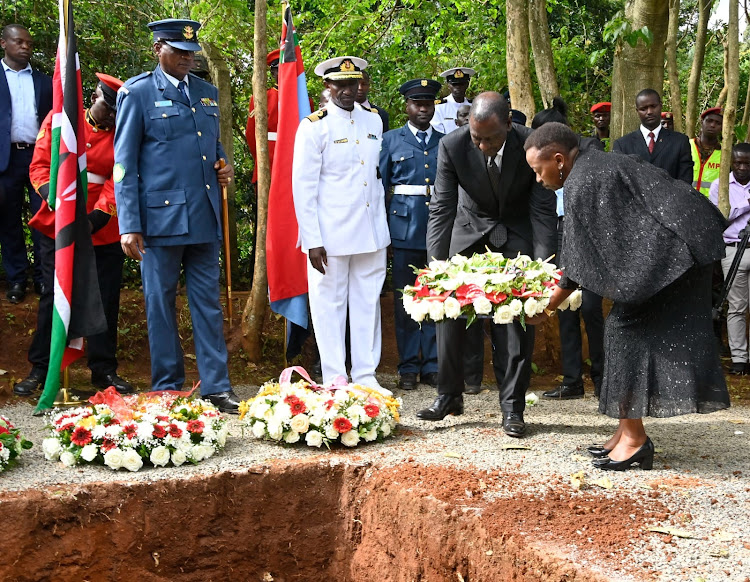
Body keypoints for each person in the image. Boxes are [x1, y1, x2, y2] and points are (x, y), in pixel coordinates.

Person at [525, 122, 730, 471]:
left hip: (678, 252)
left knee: (622, 333)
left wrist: (546, 305)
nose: (538, 179)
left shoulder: (582, 181)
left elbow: (576, 261)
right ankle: (625, 432)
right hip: (683, 243)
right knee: (621, 330)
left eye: (537, 169)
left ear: (558, 159)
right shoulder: (592, 164)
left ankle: (634, 440)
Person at [114, 19, 240, 413]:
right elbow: (124, 164)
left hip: (203, 216)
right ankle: (167, 385)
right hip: (159, 222)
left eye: (191, 53)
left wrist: (223, 168)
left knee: (208, 304)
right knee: (160, 304)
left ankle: (216, 387)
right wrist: (129, 224)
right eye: (179, 52)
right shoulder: (137, 94)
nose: (187, 58)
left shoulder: (205, 92)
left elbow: (212, 148)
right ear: (157, 50)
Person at [417, 92, 557, 438]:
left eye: (490, 139)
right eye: (476, 138)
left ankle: (512, 407)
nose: (481, 146)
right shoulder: (452, 145)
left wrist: (543, 270)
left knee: (514, 323)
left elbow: (542, 210)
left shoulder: (531, 144)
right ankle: (449, 396)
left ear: (509, 124)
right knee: (448, 312)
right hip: (468, 233)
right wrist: (437, 267)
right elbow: (442, 207)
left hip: (517, 235)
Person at [14, 74, 134, 397]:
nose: (109, 115)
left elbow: (119, 176)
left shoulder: (121, 133)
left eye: (115, 111)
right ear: (93, 95)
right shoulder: (60, 120)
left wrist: (96, 216)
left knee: (106, 298)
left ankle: (103, 370)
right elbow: (39, 166)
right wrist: (55, 199)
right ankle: (41, 368)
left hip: (101, 226)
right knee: (53, 297)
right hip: (59, 222)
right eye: (106, 106)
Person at [292, 56, 390, 390]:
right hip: (330, 235)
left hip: (371, 231)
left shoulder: (374, 121)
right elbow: (303, 188)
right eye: (340, 85)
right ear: (327, 86)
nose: (348, 91)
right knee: (328, 307)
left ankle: (365, 375)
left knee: (367, 304)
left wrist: (383, 233)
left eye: (353, 83)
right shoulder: (314, 126)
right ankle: (335, 375)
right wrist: (311, 239)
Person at [531, 98, 605, 400]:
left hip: (590, 235)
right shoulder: (539, 163)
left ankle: (603, 380)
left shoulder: (588, 150)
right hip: (561, 233)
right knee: (565, 306)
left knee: (590, 308)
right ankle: (572, 381)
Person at [380, 78, 444, 391]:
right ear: (406, 107)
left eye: (428, 103)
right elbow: (380, 189)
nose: (423, 109)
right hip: (403, 230)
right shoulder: (391, 140)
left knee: (434, 297)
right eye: (417, 103)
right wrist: (384, 233)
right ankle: (407, 366)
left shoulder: (445, 141)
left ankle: (431, 365)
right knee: (406, 301)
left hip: (436, 231)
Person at [0, 24, 52, 303]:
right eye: (19, 42)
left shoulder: (44, 82)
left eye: (29, 44)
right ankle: (17, 280)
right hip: (4, 160)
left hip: (39, 159)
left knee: (41, 218)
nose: (25, 47)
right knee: (8, 221)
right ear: (4, 43)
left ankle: (44, 279)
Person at [709, 143, 750, 375]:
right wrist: (746, 205)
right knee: (736, 307)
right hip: (733, 249)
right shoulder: (720, 186)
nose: (743, 167)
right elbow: (723, 216)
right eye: (738, 163)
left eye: (747, 163)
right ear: (731, 163)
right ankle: (739, 358)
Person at [613, 88, 693, 184]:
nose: (649, 112)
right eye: (643, 109)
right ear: (637, 111)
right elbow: (619, 183)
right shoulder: (622, 145)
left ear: (660, 106)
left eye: (653, 106)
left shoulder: (680, 142)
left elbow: (685, 182)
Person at [245, 49, 281, 185]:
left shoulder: (305, 101)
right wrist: (261, 159)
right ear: (273, 73)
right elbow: (251, 134)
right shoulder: (262, 98)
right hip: (269, 161)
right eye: (280, 70)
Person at [431, 67, 475, 134]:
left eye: (461, 84)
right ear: (448, 85)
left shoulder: (474, 106)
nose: (458, 87)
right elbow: (438, 134)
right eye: (454, 84)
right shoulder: (439, 108)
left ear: (467, 85)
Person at [691, 107, 723, 197]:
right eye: (709, 121)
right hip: (685, 200)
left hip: (711, 205)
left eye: (718, 123)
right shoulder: (686, 145)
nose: (712, 125)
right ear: (702, 122)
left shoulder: (725, 153)